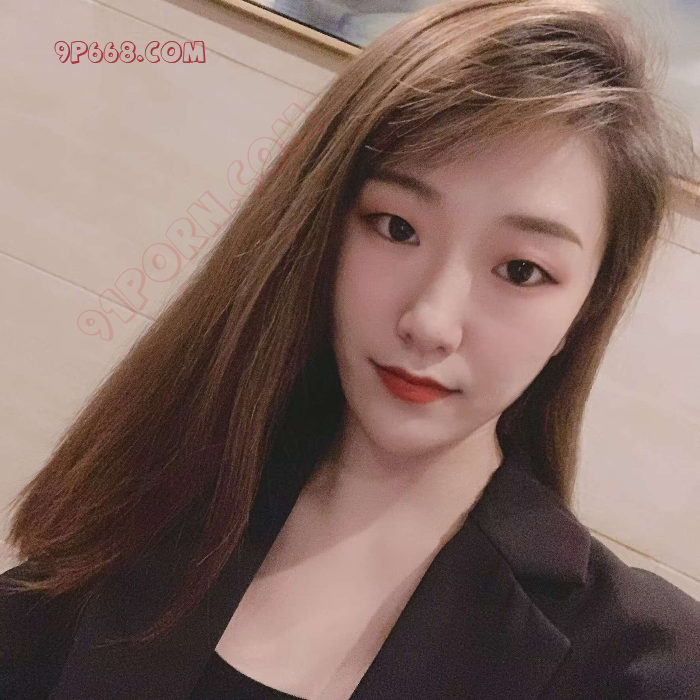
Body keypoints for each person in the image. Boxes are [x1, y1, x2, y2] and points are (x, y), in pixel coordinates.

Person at [1, 0, 699, 698]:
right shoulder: (152, 501)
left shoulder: (639, 665)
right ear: (322, 230)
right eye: (396, 227)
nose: (430, 321)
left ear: (586, 309)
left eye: (520, 270)